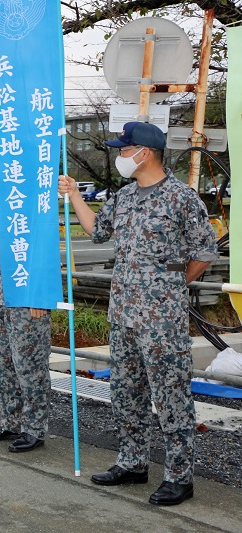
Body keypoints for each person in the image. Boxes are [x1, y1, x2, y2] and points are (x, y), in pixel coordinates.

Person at [58, 121, 217, 505]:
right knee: (126, 393)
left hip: (162, 322)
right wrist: (75, 196)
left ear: (144, 153)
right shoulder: (125, 197)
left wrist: (170, 286)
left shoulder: (182, 199)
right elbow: (98, 230)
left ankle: (180, 477)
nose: (120, 156)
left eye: (124, 150)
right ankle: (132, 462)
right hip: (124, 316)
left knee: (171, 397)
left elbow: (203, 252)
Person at [0, 156, 52, 451]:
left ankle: (34, 428)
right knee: (3, 361)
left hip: (29, 294)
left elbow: (46, 251)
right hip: (4, 291)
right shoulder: (16, 202)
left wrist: (41, 296)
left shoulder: (41, 204)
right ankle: (10, 421)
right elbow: (8, 207)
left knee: (29, 365)